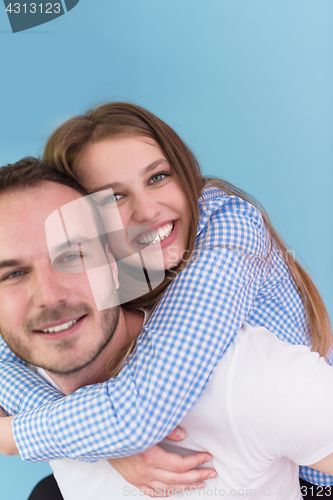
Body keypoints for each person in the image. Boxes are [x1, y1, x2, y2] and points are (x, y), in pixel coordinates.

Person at [0, 103, 332, 497]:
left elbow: (136, 417)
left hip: (311, 472)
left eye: (158, 176)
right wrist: (96, 444)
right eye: (113, 197)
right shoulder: (106, 271)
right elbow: (11, 350)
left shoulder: (227, 235)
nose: (149, 210)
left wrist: (13, 436)